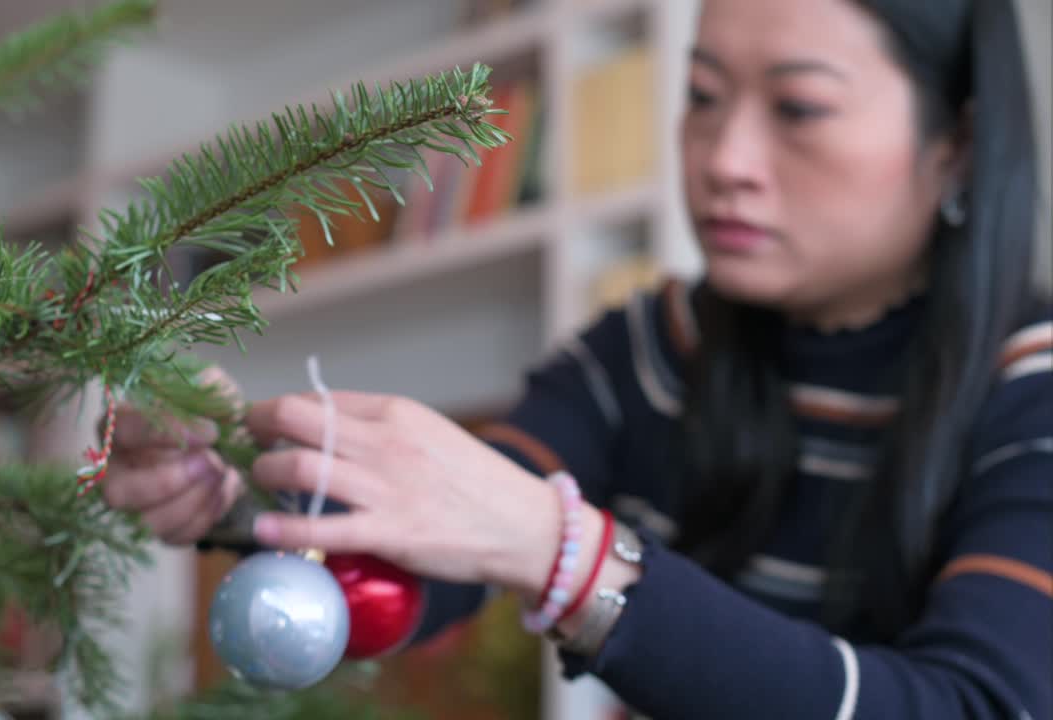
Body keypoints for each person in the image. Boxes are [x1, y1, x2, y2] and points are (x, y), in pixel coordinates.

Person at [102, 0, 1053, 716]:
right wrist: (251, 500)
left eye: (799, 107)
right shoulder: (646, 352)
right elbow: (441, 560)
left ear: (958, 147)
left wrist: (567, 557)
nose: (726, 158)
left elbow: (975, 704)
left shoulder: (1033, 387)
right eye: (702, 98)